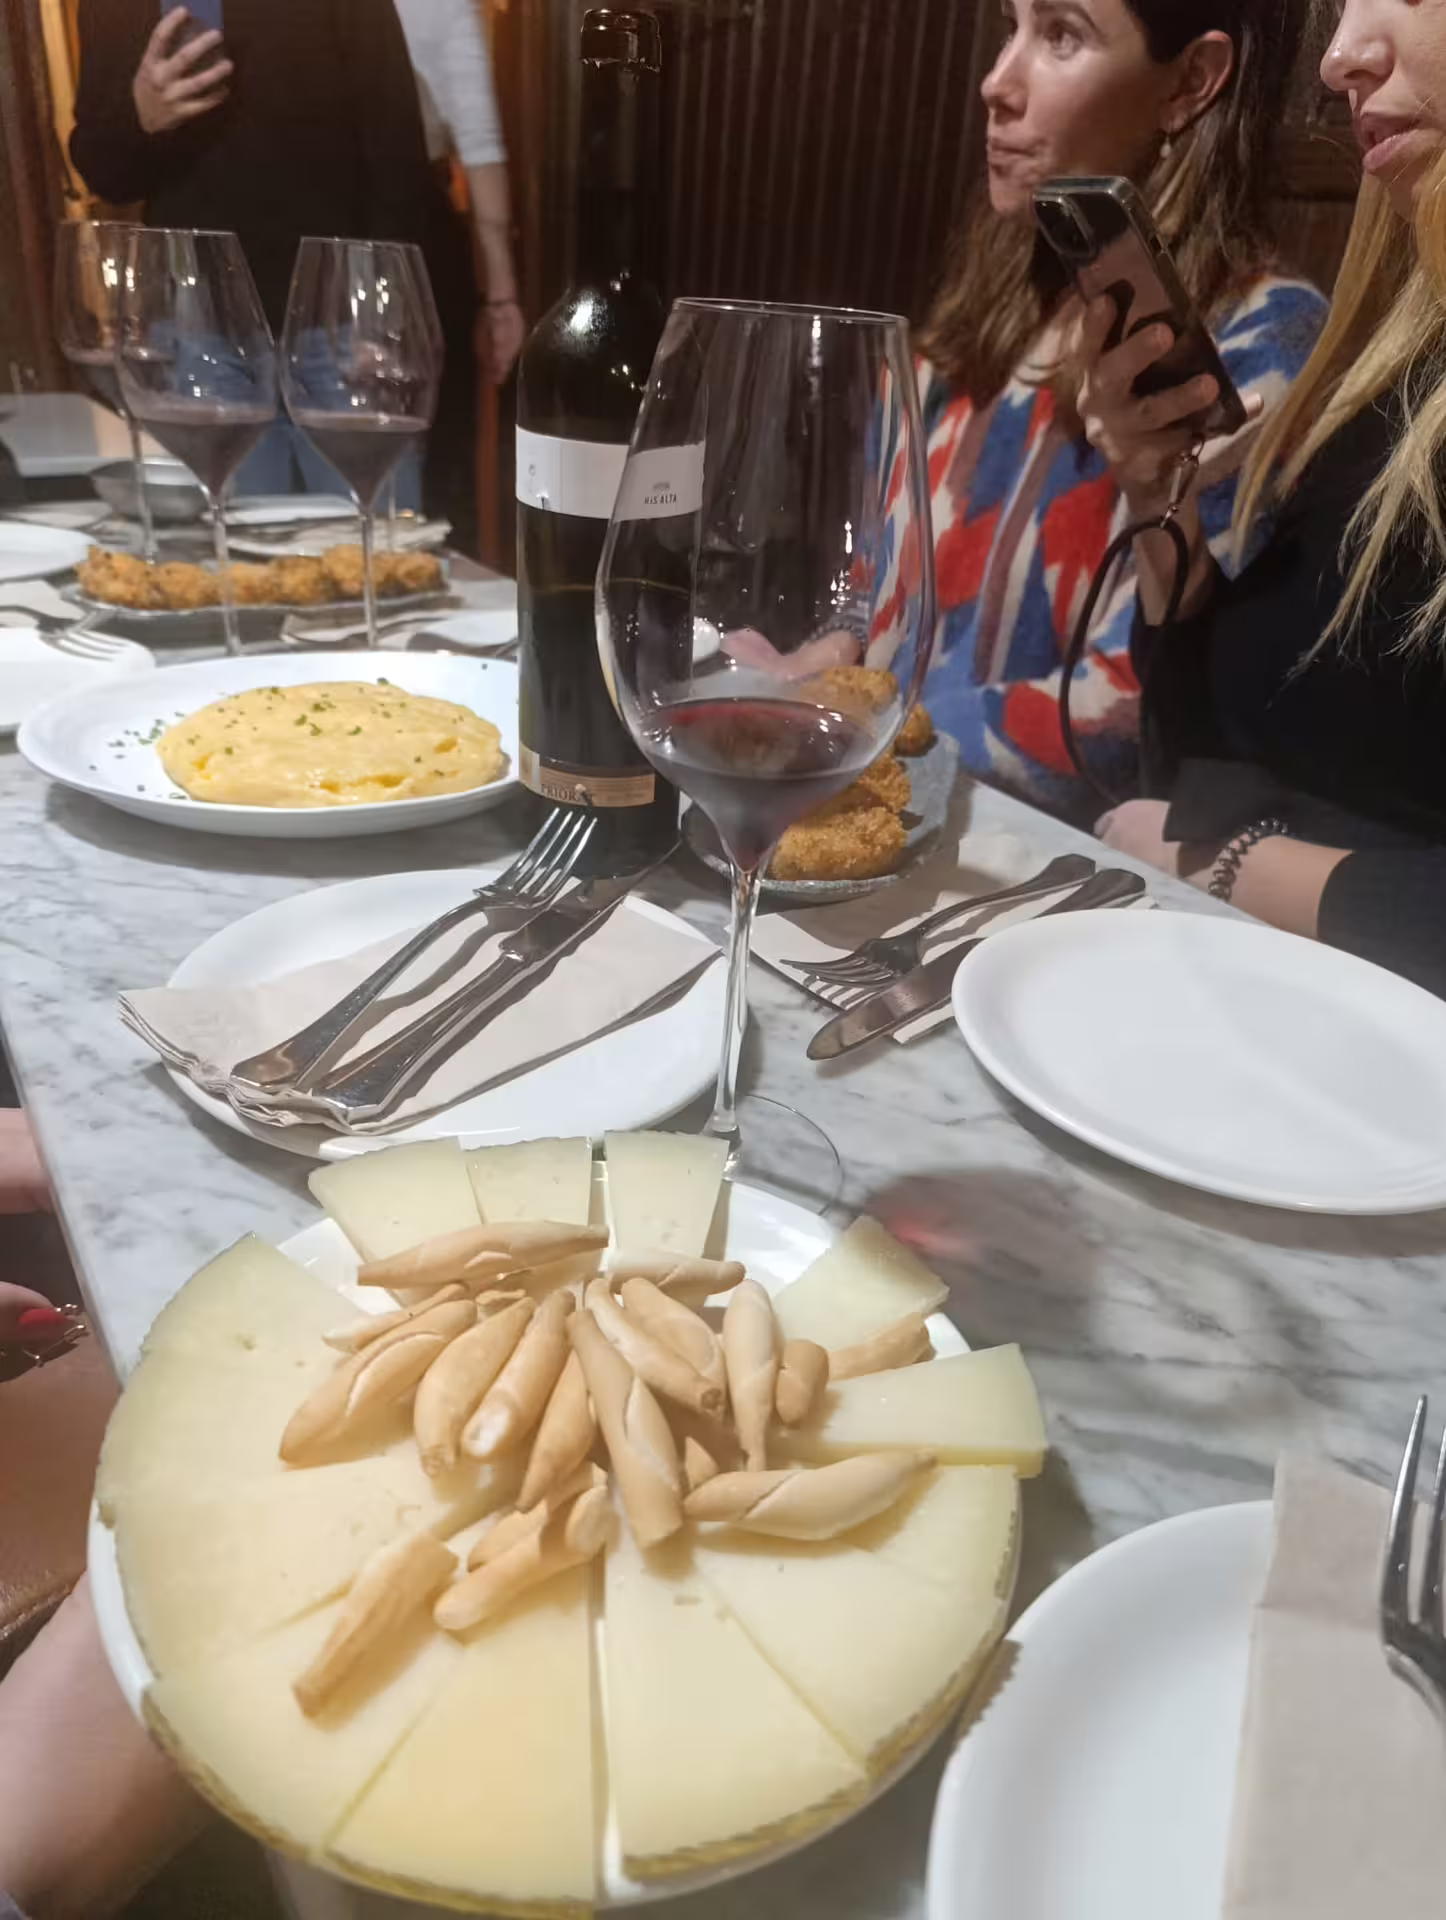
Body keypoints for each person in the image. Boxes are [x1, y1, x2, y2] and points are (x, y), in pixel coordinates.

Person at [1092, 0, 1446, 998]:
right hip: (1251, 1004)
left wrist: (1236, 866)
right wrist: (1157, 495)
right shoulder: (1391, 381)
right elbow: (1208, 739)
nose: (1339, 58)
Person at [916, 0, 1327, 820]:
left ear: (1190, 84)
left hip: (1046, 870)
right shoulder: (995, 305)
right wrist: (811, 673)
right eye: (1011, 27)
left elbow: (1123, 712)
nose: (998, 82)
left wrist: (869, 729)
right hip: (891, 803)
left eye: (1062, 34)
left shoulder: (1262, 343)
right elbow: (880, 591)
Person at [68, 1, 436, 497]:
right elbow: (104, 169)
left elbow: (396, 142)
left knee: (376, 554)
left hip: (341, 322)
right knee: (231, 560)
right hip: (197, 323)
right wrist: (141, 117)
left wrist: (381, 310)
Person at [393, 0, 524, 548]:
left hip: (401, 233)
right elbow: (478, 139)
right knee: (436, 464)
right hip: (415, 231)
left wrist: (498, 299)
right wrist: (502, 297)